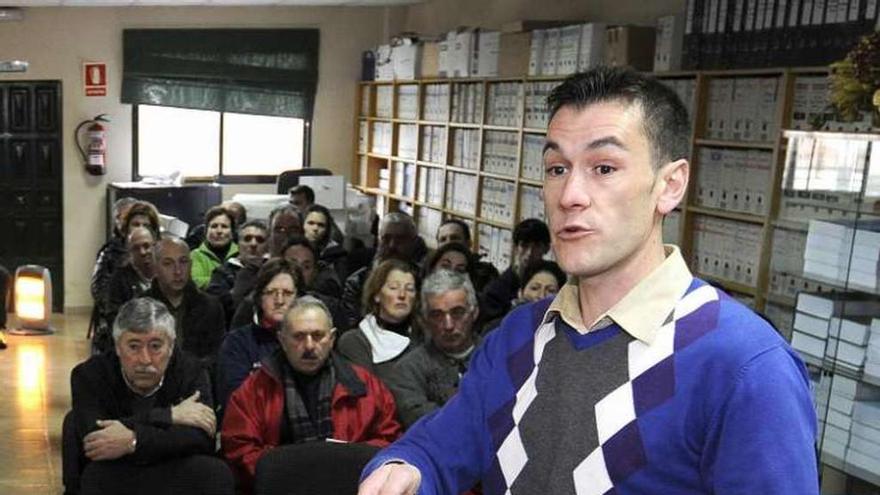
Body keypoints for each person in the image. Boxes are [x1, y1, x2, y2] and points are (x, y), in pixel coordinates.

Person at [359, 67, 818, 494]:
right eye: (557, 169)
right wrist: (403, 468)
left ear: (671, 186)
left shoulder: (745, 366)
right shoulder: (518, 337)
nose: (571, 196)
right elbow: (438, 448)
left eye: (604, 168)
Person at [221, 296, 402, 494]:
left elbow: (390, 442)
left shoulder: (365, 386)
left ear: (332, 338)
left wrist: (345, 464)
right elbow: (240, 450)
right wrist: (300, 472)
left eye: (318, 336)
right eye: (298, 336)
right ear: (281, 339)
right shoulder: (255, 390)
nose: (309, 346)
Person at [65, 297, 231, 495]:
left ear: (171, 347)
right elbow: (95, 440)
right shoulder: (89, 374)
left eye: (155, 346)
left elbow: (202, 438)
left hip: (173, 468)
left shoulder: (192, 371)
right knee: (95, 475)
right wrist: (168, 416)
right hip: (115, 471)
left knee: (216, 473)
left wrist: (134, 441)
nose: (144, 359)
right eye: (134, 346)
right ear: (118, 346)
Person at [388, 269, 479, 429]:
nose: (448, 325)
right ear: (424, 320)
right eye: (437, 315)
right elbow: (427, 425)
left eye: (457, 313)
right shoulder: (408, 370)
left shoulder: (499, 358)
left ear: (474, 312)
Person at [216, 258, 302, 411]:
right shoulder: (237, 342)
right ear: (259, 297)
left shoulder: (308, 341)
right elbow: (234, 400)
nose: (279, 300)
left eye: (287, 293)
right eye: (270, 292)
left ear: (299, 297)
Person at [90, 200, 161, 349]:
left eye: (146, 225)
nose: (140, 228)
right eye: (136, 224)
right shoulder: (112, 256)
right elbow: (100, 291)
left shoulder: (165, 262)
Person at [337, 259, 419, 385]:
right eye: (393, 288)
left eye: (410, 289)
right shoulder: (355, 342)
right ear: (377, 295)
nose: (402, 295)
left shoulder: (424, 340)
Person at [145, 236, 225, 364]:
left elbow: (216, 357)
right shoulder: (142, 307)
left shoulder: (210, 306)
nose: (177, 271)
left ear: (191, 264)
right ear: (155, 268)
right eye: (168, 263)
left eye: (183, 262)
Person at [342, 211, 426, 330]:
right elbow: (352, 325)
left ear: (413, 242)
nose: (392, 245)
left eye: (400, 239)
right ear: (378, 239)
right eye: (386, 238)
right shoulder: (357, 281)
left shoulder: (423, 281)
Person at [478, 218, 550, 324]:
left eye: (537, 246)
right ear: (516, 247)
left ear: (546, 249)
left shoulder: (554, 277)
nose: (529, 253)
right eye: (524, 246)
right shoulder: (495, 291)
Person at [205, 220, 269, 326]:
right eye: (247, 239)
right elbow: (215, 309)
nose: (253, 244)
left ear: (268, 246)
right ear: (238, 244)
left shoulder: (275, 272)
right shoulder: (221, 273)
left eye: (260, 240)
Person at [435, 219, 498, 293]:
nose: (449, 243)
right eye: (443, 240)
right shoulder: (428, 272)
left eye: (454, 238)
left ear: (469, 243)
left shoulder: (485, 275)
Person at [190, 206, 239, 289]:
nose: (219, 231)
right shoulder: (195, 255)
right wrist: (227, 281)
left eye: (224, 226)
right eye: (214, 226)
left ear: (232, 232)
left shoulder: (241, 254)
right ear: (206, 231)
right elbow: (196, 281)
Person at [304, 204, 347, 281]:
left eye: (321, 225)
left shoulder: (337, 255)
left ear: (327, 229)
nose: (315, 228)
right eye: (311, 223)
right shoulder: (293, 250)